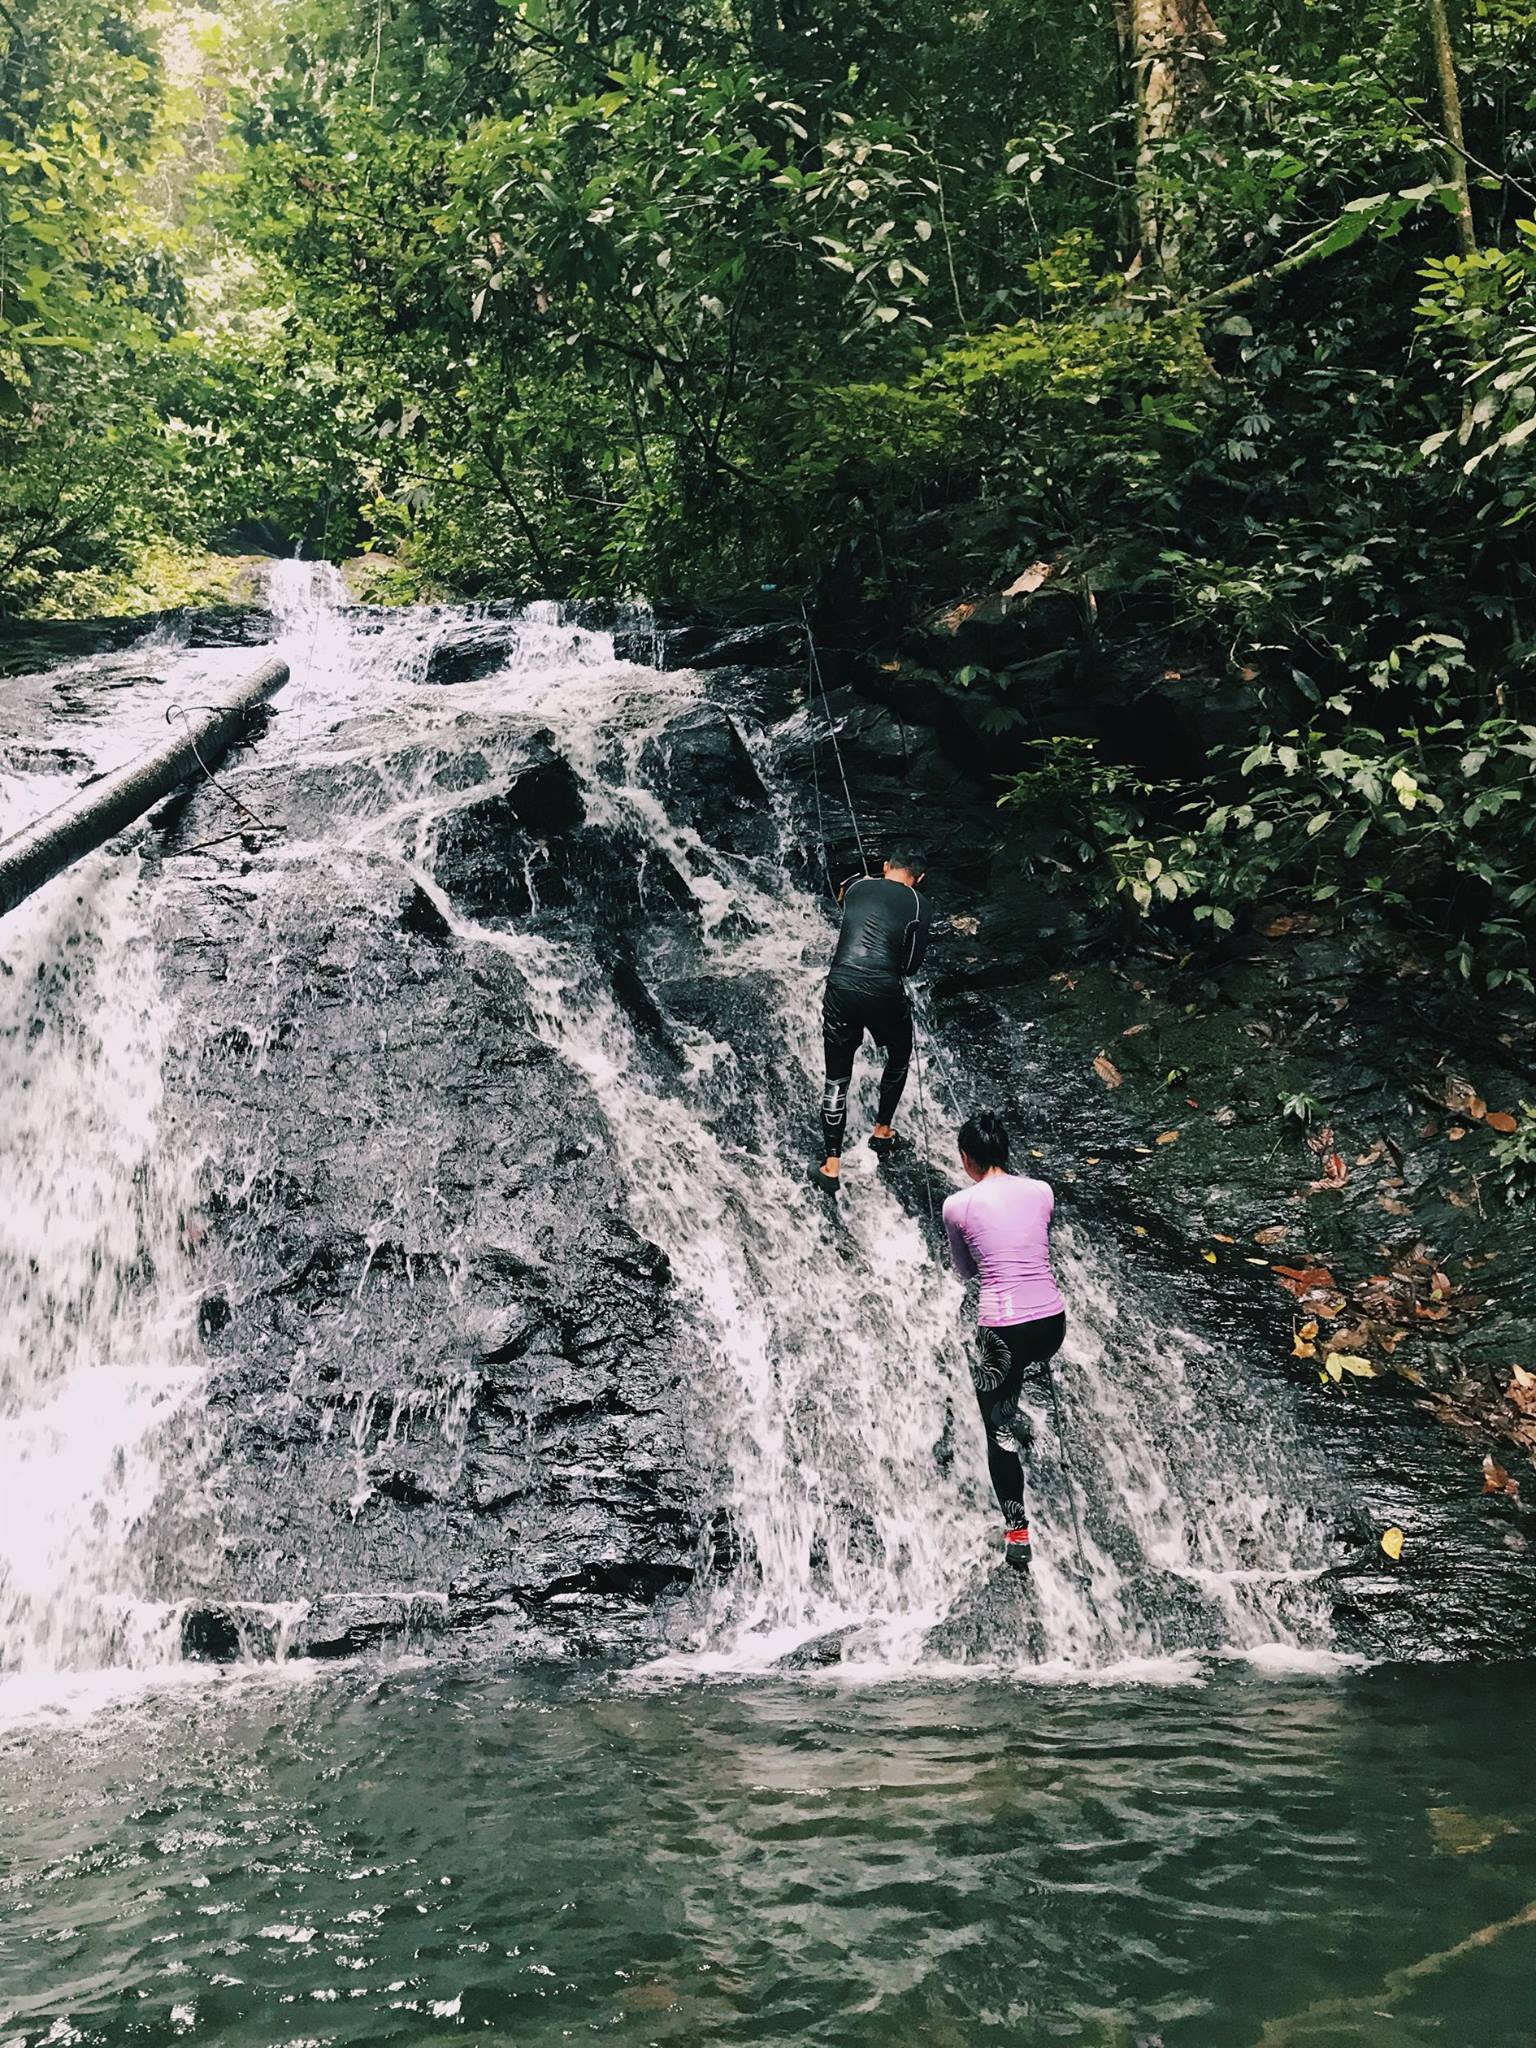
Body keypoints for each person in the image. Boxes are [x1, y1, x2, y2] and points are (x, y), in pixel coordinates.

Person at [942, 1111, 1065, 1572]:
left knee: (999, 1431)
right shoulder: (1042, 1191)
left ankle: (1017, 1535)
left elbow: (967, 1271)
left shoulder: (958, 1205)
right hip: (1052, 1325)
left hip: (1005, 1332)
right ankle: (1028, 1377)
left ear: (967, 1159)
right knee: (1026, 1361)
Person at [812, 857, 930, 1196]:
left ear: (885, 864)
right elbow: (909, 966)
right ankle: (882, 1132)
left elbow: (842, 899)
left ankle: (831, 1165)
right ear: (918, 877)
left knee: (836, 1077)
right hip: (882, 989)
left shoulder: (857, 885)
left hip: (841, 986)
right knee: (899, 1054)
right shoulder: (920, 902)